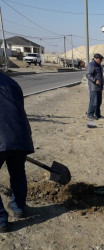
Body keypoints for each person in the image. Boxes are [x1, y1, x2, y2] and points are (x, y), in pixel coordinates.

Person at [0, 72, 35, 233]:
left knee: (17, 173)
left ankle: (1, 220)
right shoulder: (13, 83)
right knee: (18, 173)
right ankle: (19, 207)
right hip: (21, 136)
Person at [86, 53, 104, 120]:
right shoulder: (91, 65)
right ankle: (90, 114)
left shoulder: (98, 65)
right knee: (93, 101)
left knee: (99, 101)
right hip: (94, 87)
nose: (101, 61)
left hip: (99, 87)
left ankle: (97, 114)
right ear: (96, 59)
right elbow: (88, 75)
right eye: (100, 59)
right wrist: (95, 80)